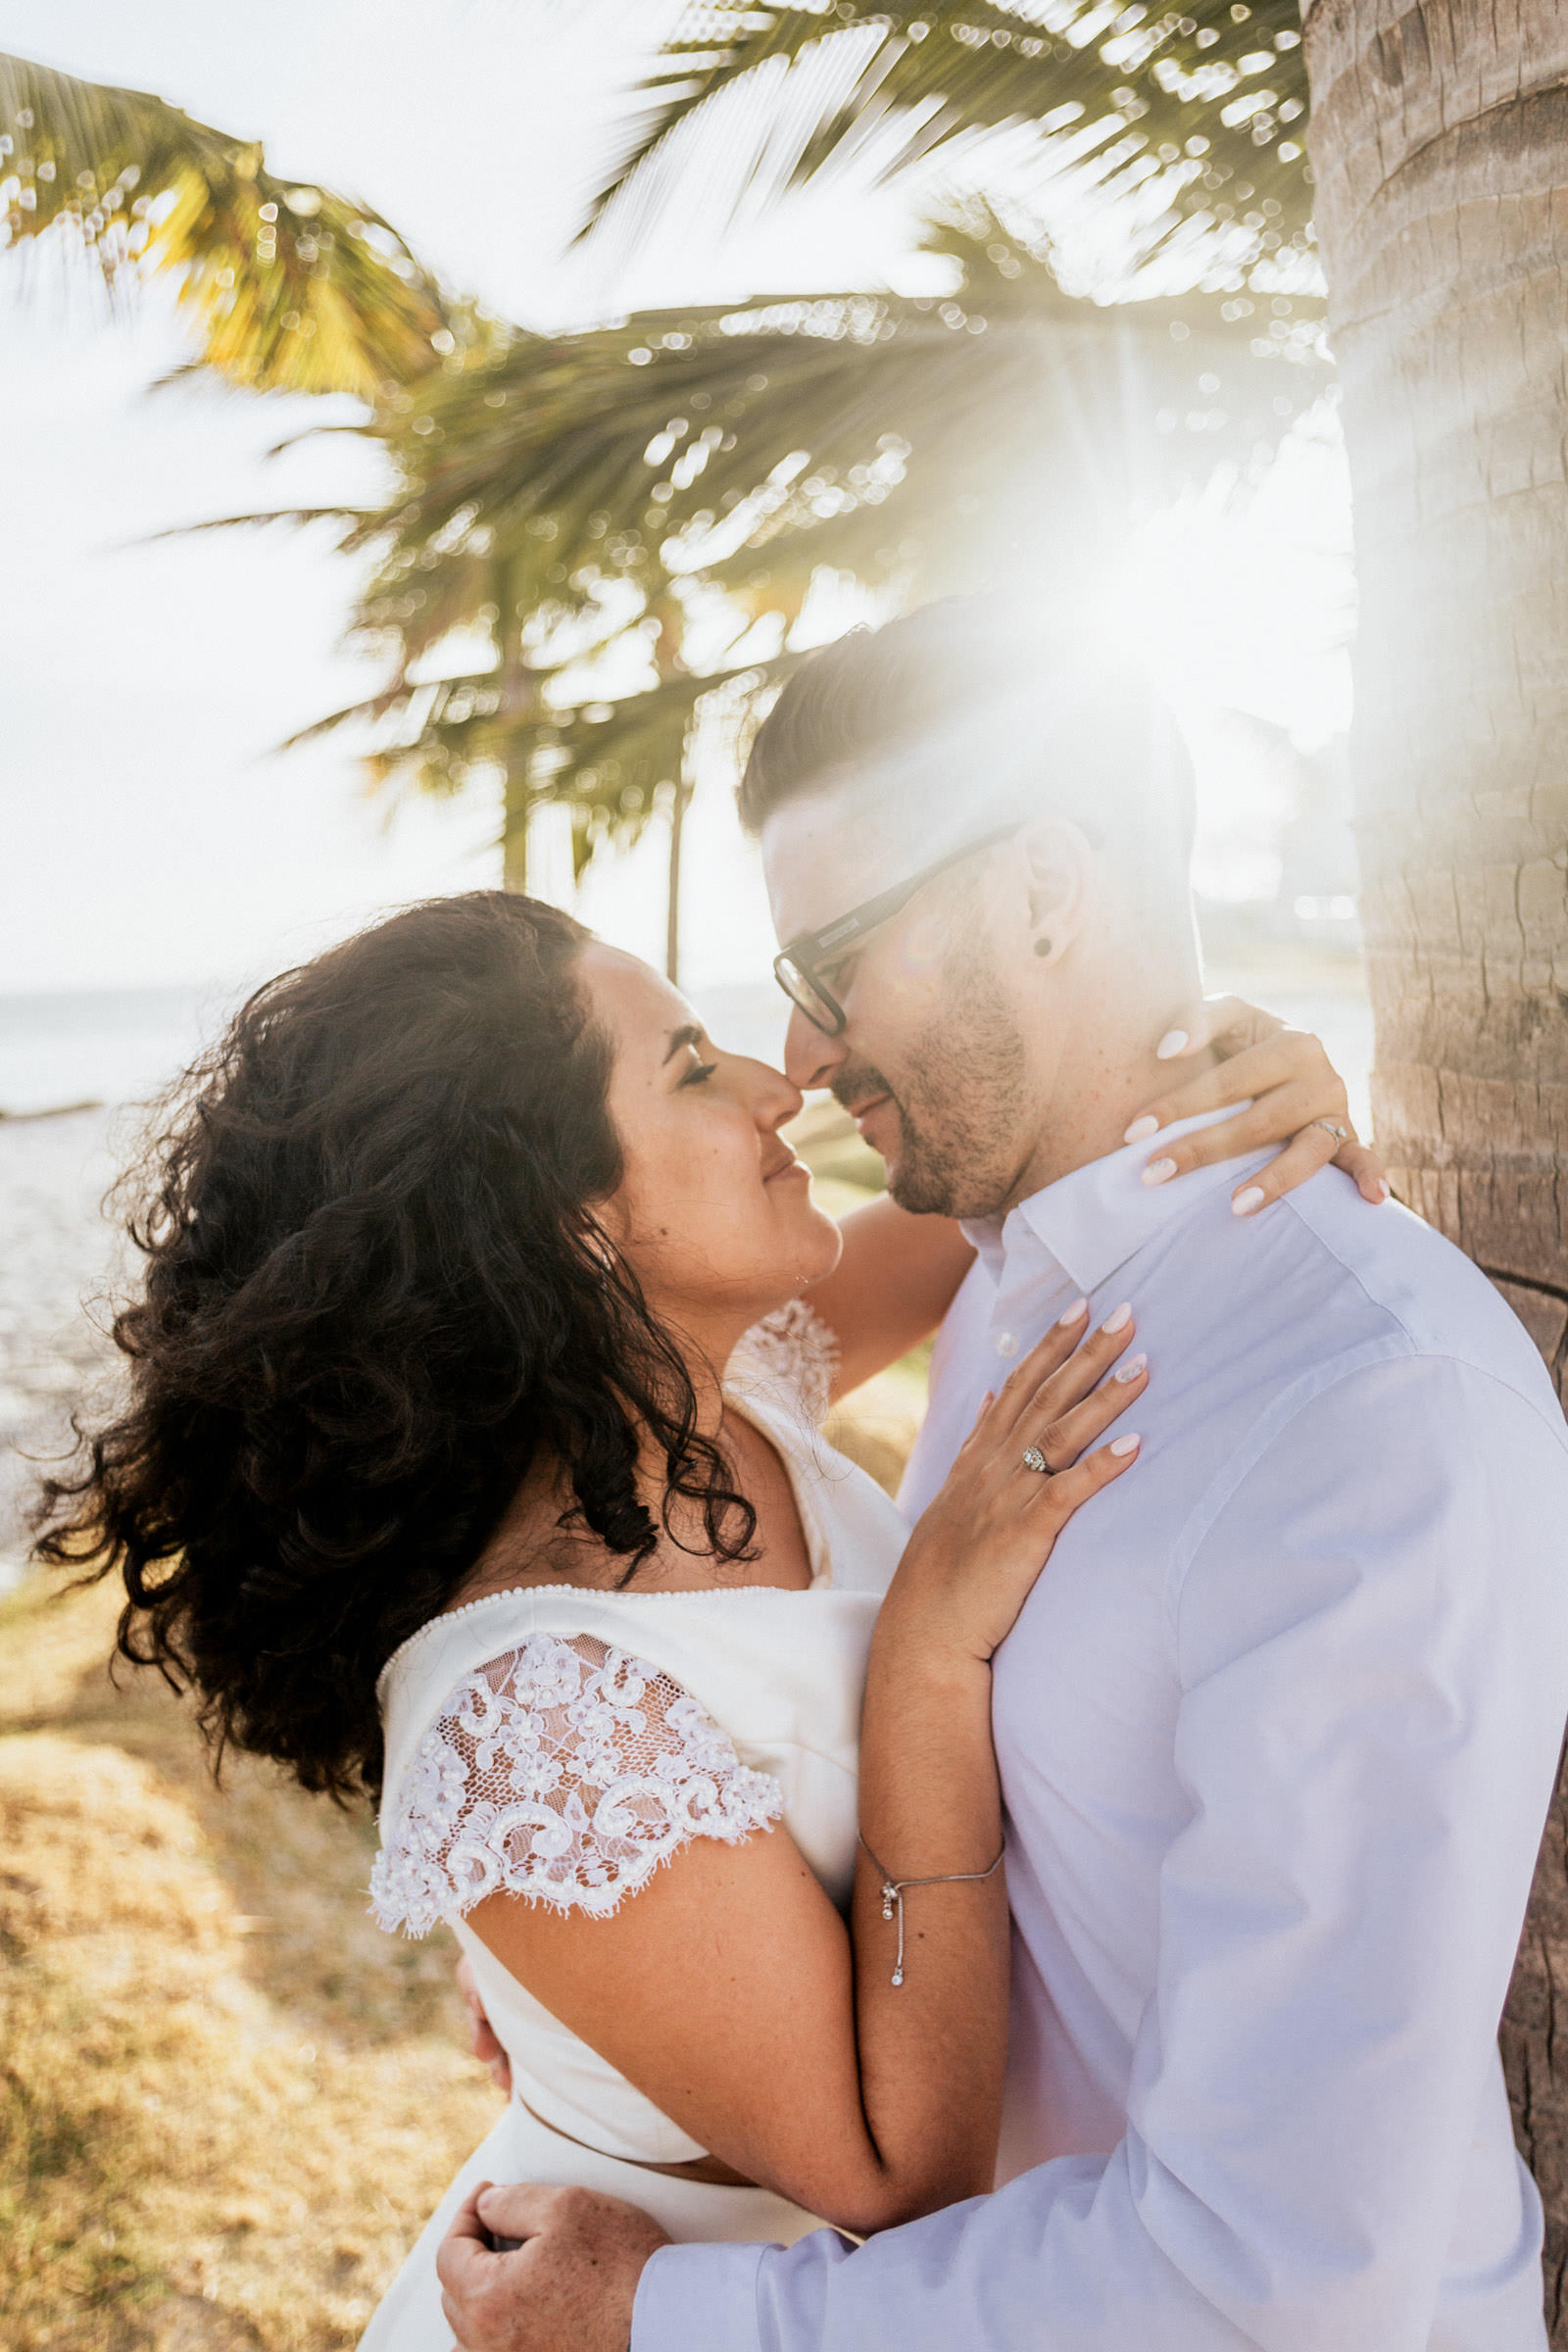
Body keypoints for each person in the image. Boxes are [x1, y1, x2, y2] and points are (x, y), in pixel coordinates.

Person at [433, 601, 1568, 2352]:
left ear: (1045, 891)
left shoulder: (1367, 1418)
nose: (797, 1061)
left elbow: (1276, 2290)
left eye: (829, 971)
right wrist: (572, 1949)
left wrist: (667, 2321)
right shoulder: (1007, 1264)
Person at [32, 858, 1364, 2343]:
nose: (770, 1088)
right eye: (688, 1067)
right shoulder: (533, 1717)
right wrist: (926, 1649)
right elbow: (894, 2170)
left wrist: (1237, 1076)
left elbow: (1026, 1165)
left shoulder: (726, 1391)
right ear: (562, 1224)